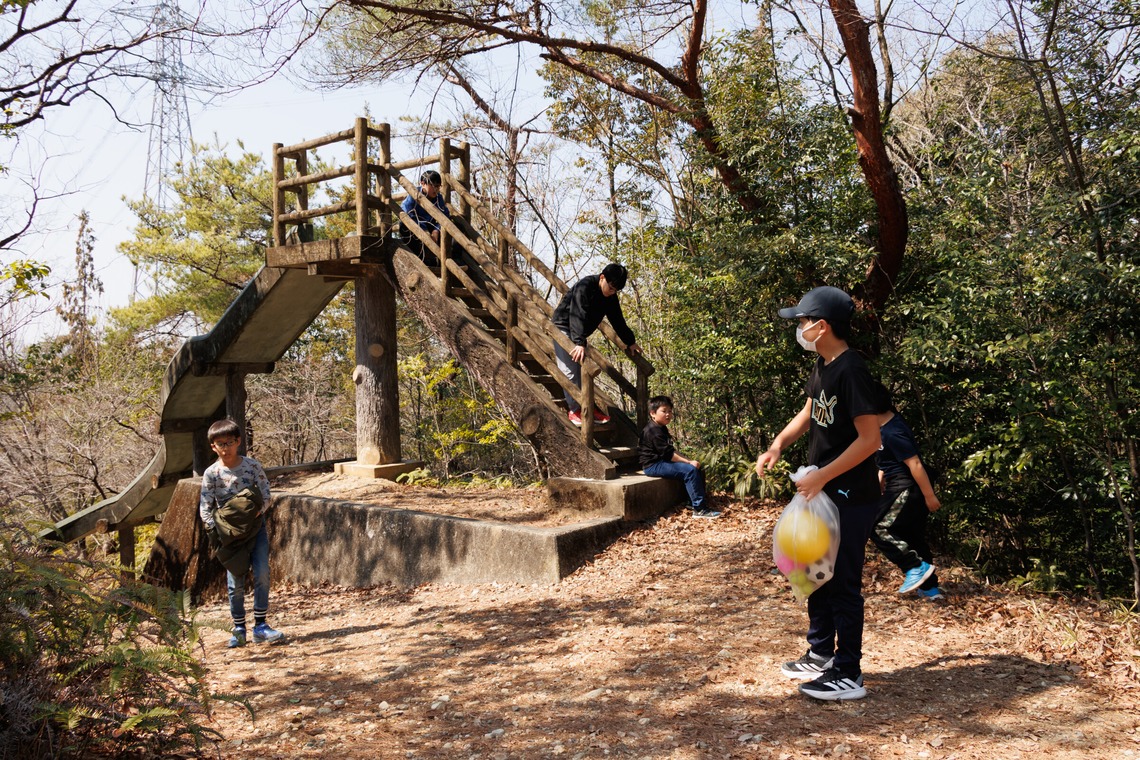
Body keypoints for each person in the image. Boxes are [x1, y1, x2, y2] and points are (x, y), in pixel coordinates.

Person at [755, 286, 882, 701]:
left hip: (849, 496)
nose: (800, 328)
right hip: (823, 491)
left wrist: (823, 476)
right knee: (814, 571)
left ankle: (849, 673)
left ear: (821, 326)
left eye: (803, 322)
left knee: (843, 582)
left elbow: (869, 440)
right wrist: (777, 444)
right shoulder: (824, 366)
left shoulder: (852, 371)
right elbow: (810, 412)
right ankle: (821, 653)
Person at [199, 418, 285, 648]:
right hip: (229, 535)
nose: (225, 448)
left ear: (238, 441)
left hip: (256, 530)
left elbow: (266, 495)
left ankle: (261, 626)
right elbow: (205, 506)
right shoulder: (212, 474)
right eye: (220, 444)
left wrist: (257, 513)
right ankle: (238, 629)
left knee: (262, 573)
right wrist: (214, 532)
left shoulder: (252, 466)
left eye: (229, 442)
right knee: (235, 580)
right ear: (213, 447)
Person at [872, 385, 943, 599]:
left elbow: (915, 464)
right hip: (900, 485)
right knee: (912, 535)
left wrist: (929, 496)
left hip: (907, 486)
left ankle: (914, 566)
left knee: (876, 527)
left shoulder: (893, 431)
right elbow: (885, 464)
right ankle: (930, 588)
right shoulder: (881, 428)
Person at [552, 263, 642, 426]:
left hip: (579, 333)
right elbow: (576, 314)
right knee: (569, 371)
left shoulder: (611, 297)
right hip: (563, 326)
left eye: (616, 290)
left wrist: (630, 342)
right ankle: (574, 410)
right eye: (611, 287)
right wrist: (579, 342)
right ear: (602, 278)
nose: (612, 292)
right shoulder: (585, 286)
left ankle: (587, 407)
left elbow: (617, 320)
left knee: (582, 372)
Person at [639, 395, 720, 518]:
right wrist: (688, 462)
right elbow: (670, 455)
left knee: (696, 467)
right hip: (653, 465)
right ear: (652, 413)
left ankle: (692, 502)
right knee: (690, 470)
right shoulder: (653, 431)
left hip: (662, 461)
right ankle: (700, 509)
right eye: (664, 411)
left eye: (670, 411)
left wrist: (690, 461)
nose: (668, 414)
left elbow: (671, 451)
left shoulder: (661, 428)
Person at [400, 169, 449, 266]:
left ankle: (448, 259)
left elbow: (445, 215)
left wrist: (436, 230)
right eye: (433, 186)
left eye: (438, 186)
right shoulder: (413, 195)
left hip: (431, 229)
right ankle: (424, 260)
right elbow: (407, 213)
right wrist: (424, 229)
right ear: (423, 183)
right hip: (414, 229)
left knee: (456, 227)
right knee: (405, 226)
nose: (436, 189)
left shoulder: (439, 198)